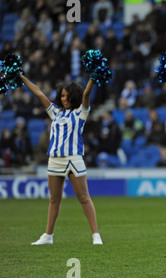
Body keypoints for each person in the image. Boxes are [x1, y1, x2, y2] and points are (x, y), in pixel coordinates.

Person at [19, 74, 103, 245]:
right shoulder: (55, 112)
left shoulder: (81, 113)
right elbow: (39, 93)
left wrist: (93, 76)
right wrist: (21, 76)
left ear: (74, 96)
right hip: (55, 159)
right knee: (54, 199)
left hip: (74, 158)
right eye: (62, 95)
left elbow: (86, 94)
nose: (64, 99)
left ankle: (96, 235)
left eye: (67, 95)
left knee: (84, 198)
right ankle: (48, 236)